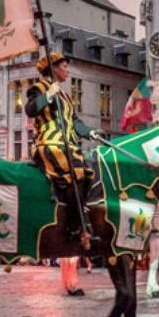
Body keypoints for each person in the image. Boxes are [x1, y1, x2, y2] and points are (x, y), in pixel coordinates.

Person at [25, 53, 103, 242]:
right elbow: (31, 109)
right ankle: (75, 227)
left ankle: (78, 218)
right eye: (65, 67)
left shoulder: (65, 96)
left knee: (87, 171)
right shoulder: (39, 88)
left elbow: (74, 121)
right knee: (75, 170)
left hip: (67, 144)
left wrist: (89, 132)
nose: (68, 70)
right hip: (50, 143)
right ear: (54, 69)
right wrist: (47, 96)